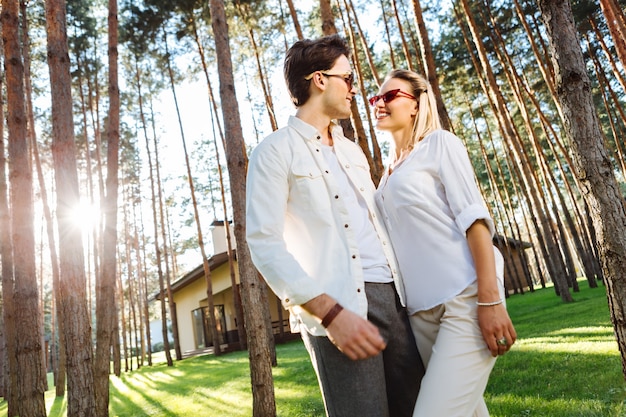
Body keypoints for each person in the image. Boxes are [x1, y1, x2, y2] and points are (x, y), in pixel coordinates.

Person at [245, 36, 423, 417]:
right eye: (348, 78)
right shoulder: (273, 152)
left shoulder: (351, 150)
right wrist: (330, 314)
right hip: (338, 307)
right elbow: (264, 243)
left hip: (396, 301)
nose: (355, 90)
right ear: (320, 79)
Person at [370, 69, 517, 417]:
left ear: (417, 105)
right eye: (376, 98)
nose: (379, 103)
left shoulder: (439, 144)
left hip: (464, 301)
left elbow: (475, 221)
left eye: (391, 96)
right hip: (421, 314)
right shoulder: (386, 173)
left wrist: (490, 300)